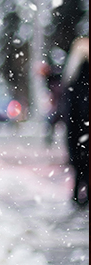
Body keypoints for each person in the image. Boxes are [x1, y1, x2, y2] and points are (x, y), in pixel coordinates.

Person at [61, 36, 89, 206]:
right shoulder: (77, 75)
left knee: (79, 165)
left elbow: (72, 105)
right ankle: (79, 196)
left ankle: (78, 196)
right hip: (81, 127)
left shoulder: (75, 74)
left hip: (78, 128)